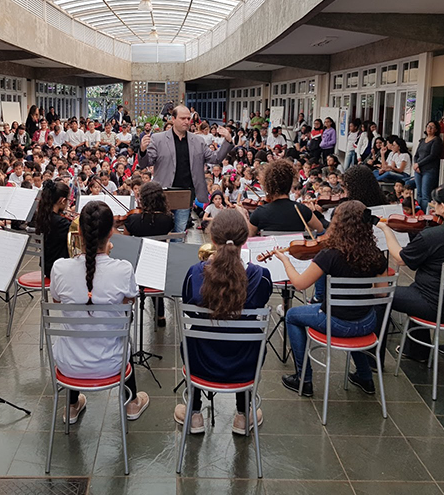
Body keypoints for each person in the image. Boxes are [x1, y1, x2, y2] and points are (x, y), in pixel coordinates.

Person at [50, 200, 150, 424]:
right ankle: (131, 402)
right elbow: (128, 303)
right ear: (112, 232)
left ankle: (72, 405)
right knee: (124, 336)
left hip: (69, 364)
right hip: (111, 363)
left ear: (80, 233)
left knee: (77, 326)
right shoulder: (123, 269)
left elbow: (57, 300)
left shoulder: (59, 268)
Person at [276, 201, 389, 396]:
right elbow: (381, 293)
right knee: (352, 314)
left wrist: (286, 261)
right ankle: (365, 377)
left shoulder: (329, 255)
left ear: (338, 224)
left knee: (292, 315)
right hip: (368, 322)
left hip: (338, 323)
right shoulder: (376, 254)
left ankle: (304, 379)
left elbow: (301, 284)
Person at [175, 209, 272, 433]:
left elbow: (190, 305)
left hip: (201, 361)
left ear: (212, 238)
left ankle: (195, 413)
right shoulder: (261, 276)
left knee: (196, 334)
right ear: (244, 240)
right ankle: (242, 414)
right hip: (245, 363)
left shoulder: (195, 273)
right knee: (243, 339)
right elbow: (261, 299)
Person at [378, 183, 444, 362]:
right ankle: (416, 351)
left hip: (438, 306)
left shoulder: (433, 235)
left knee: (381, 293)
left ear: (443, 208)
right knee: (415, 290)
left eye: (435, 204)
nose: (433, 207)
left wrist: (386, 230)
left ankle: (373, 357)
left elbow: (400, 259)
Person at [138, 105, 233, 234]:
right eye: (183, 118)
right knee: (160, 233)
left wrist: (227, 140)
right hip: (163, 194)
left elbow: (215, 158)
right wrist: (143, 150)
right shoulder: (158, 138)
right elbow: (146, 162)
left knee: (179, 233)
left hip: (185, 194)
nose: (186, 121)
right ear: (173, 119)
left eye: (188, 118)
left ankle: (176, 253)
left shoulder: (198, 141)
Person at [247, 159, 324, 236]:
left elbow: (248, 236)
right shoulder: (302, 210)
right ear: (290, 185)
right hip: (295, 247)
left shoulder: (259, 212)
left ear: (268, 185)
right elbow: (320, 230)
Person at [35, 180, 72, 278]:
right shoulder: (61, 223)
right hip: (58, 269)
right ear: (62, 201)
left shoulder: (42, 215)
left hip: (46, 265)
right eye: (68, 200)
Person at [411, 121, 444, 211]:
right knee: (419, 193)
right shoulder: (422, 141)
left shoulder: (436, 140)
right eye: (428, 126)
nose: (429, 129)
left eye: (432, 127)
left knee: (425, 194)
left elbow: (432, 155)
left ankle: (426, 215)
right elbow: (416, 155)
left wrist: (419, 164)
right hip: (418, 170)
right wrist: (415, 164)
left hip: (429, 170)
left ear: (436, 130)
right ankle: (418, 212)